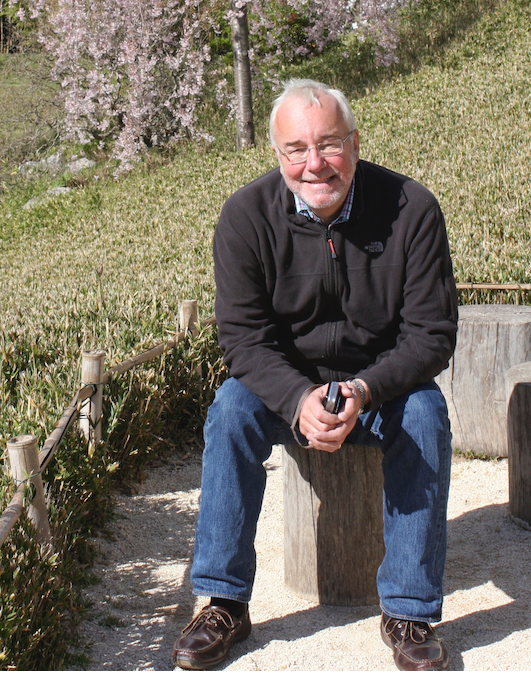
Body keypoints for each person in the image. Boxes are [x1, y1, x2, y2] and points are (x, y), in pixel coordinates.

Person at [171, 79, 458, 672]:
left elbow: (432, 334)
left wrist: (363, 389)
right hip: (284, 385)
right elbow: (243, 340)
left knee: (428, 415)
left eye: (328, 144)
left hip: (382, 386)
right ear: (277, 155)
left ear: (354, 143)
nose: (314, 164)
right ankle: (223, 599)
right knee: (228, 411)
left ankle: (409, 610)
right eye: (295, 149)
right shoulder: (245, 216)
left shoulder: (413, 208)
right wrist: (299, 397)